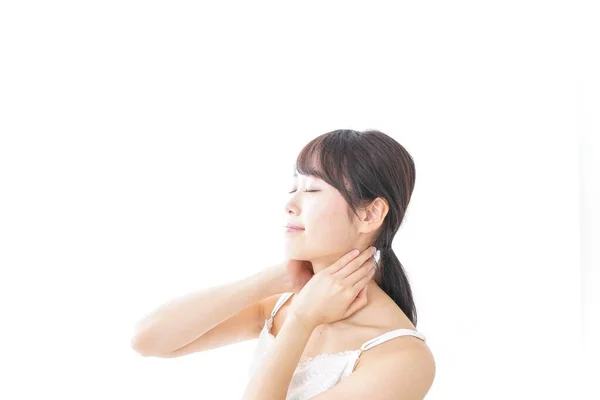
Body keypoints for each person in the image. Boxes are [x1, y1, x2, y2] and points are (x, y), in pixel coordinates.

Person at [131, 129, 436, 399]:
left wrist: (302, 320)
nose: (290, 205)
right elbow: (148, 340)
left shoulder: (402, 356)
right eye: (293, 189)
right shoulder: (280, 302)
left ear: (370, 215)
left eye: (313, 190)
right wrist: (274, 280)